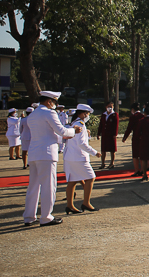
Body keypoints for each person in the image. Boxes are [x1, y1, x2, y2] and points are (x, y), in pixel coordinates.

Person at [23, 91, 77, 227]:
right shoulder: (49, 113)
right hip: (46, 154)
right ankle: (46, 217)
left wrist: (65, 135)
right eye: (54, 102)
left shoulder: (33, 114)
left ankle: (29, 216)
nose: (54, 106)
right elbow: (61, 131)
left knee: (33, 186)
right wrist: (73, 131)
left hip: (34, 153)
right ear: (49, 102)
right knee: (48, 186)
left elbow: (47, 134)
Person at [63, 104, 102, 214]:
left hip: (70, 156)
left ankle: (70, 205)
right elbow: (81, 144)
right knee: (91, 178)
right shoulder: (80, 124)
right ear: (84, 113)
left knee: (72, 181)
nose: (87, 116)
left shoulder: (74, 123)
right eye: (87, 114)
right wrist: (95, 152)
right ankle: (86, 202)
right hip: (78, 157)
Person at [122, 103, 144, 176]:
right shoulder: (143, 116)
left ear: (132, 109)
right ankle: (143, 170)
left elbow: (129, 128)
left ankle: (137, 170)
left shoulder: (133, 117)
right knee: (142, 154)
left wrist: (125, 137)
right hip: (143, 137)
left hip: (136, 137)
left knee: (135, 155)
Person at [98, 101, 118, 169]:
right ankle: (103, 163)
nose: (110, 108)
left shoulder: (115, 114)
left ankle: (112, 163)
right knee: (103, 149)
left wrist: (115, 134)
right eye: (108, 106)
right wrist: (98, 133)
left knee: (112, 149)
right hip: (104, 134)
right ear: (106, 107)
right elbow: (101, 124)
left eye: (111, 107)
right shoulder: (104, 114)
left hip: (111, 134)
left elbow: (116, 125)